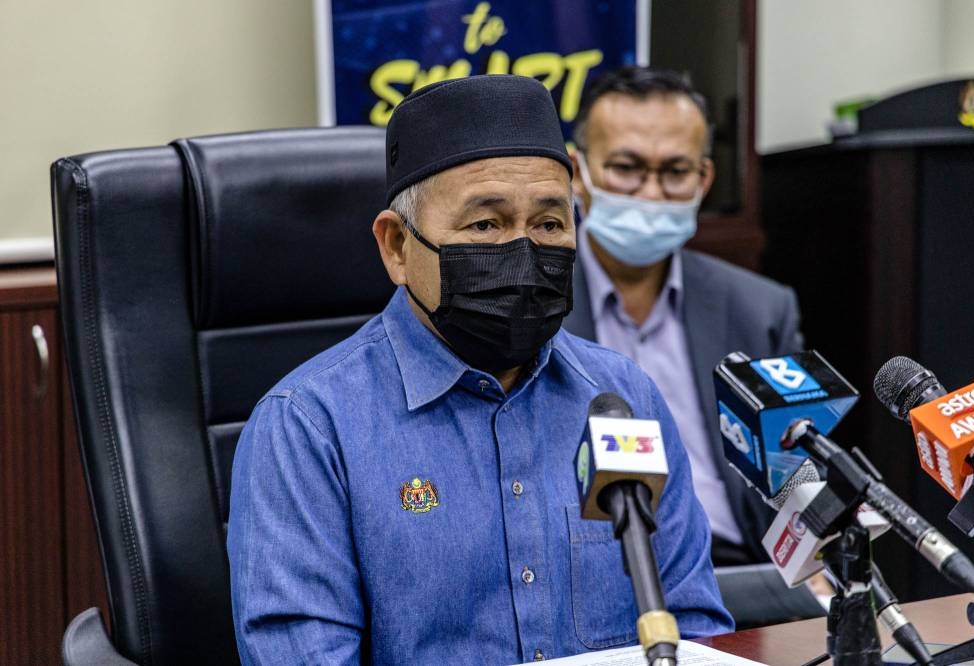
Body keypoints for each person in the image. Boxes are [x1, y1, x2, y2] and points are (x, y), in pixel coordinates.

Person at [227, 74, 733, 665]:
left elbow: (697, 633)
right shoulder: (309, 429)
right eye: (485, 225)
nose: (523, 251)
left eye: (548, 224)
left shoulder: (622, 398)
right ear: (396, 247)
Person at [562, 67, 804, 566]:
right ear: (576, 172)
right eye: (626, 168)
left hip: (735, 570)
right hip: (589, 566)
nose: (651, 194)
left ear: (704, 178)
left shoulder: (759, 309)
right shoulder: (533, 308)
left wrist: (815, 567)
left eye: (675, 172)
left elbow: (791, 472)